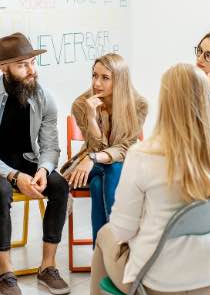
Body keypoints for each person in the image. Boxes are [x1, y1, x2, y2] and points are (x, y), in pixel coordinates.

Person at [82, 63, 210, 295]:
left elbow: (122, 230)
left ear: (165, 102)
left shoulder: (144, 156)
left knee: (105, 234)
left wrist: (144, 224)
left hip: (156, 286)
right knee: (177, 241)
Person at [0, 32, 70, 295]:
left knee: (59, 185)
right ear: (3, 68)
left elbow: (50, 146)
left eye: (32, 62)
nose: (31, 70)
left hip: (26, 160)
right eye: (23, 65)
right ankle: (5, 271)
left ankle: (47, 266)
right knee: (0, 190)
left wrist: (44, 170)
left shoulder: (45, 97)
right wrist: (14, 176)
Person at [62, 53, 147, 245]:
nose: (97, 83)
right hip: (91, 164)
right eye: (94, 75)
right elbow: (96, 147)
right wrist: (92, 119)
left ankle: (100, 254)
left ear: (120, 79)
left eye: (105, 77)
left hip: (114, 164)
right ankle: (118, 246)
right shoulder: (81, 104)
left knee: (99, 183)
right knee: (111, 168)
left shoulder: (139, 105)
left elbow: (125, 148)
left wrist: (92, 158)